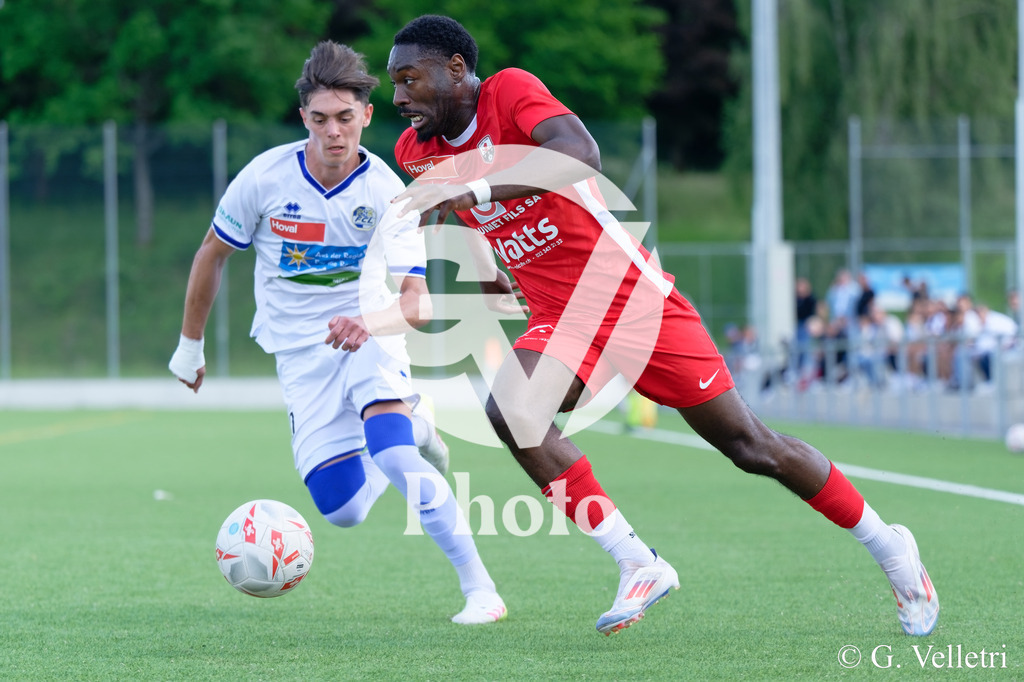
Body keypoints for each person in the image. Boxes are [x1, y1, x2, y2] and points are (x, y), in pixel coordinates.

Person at [385, 15, 940, 638]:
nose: (399, 97)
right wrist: (489, 270)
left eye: (409, 79)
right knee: (512, 410)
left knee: (751, 447)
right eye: (394, 84)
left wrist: (479, 191)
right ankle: (638, 562)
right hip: (560, 316)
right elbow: (463, 214)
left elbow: (580, 157)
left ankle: (892, 549)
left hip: (631, 301)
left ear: (456, 69)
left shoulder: (508, 90)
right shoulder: (415, 150)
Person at [168, 40, 506, 625]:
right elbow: (211, 254)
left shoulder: (387, 193)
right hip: (299, 352)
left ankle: (481, 589)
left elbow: (415, 306)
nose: (333, 132)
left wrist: (366, 322)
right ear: (304, 118)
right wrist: (189, 346)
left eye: (345, 118)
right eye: (320, 119)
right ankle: (419, 423)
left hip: (373, 333)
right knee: (343, 509)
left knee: (395, 455)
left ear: (366, 117)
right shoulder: (263, 180)